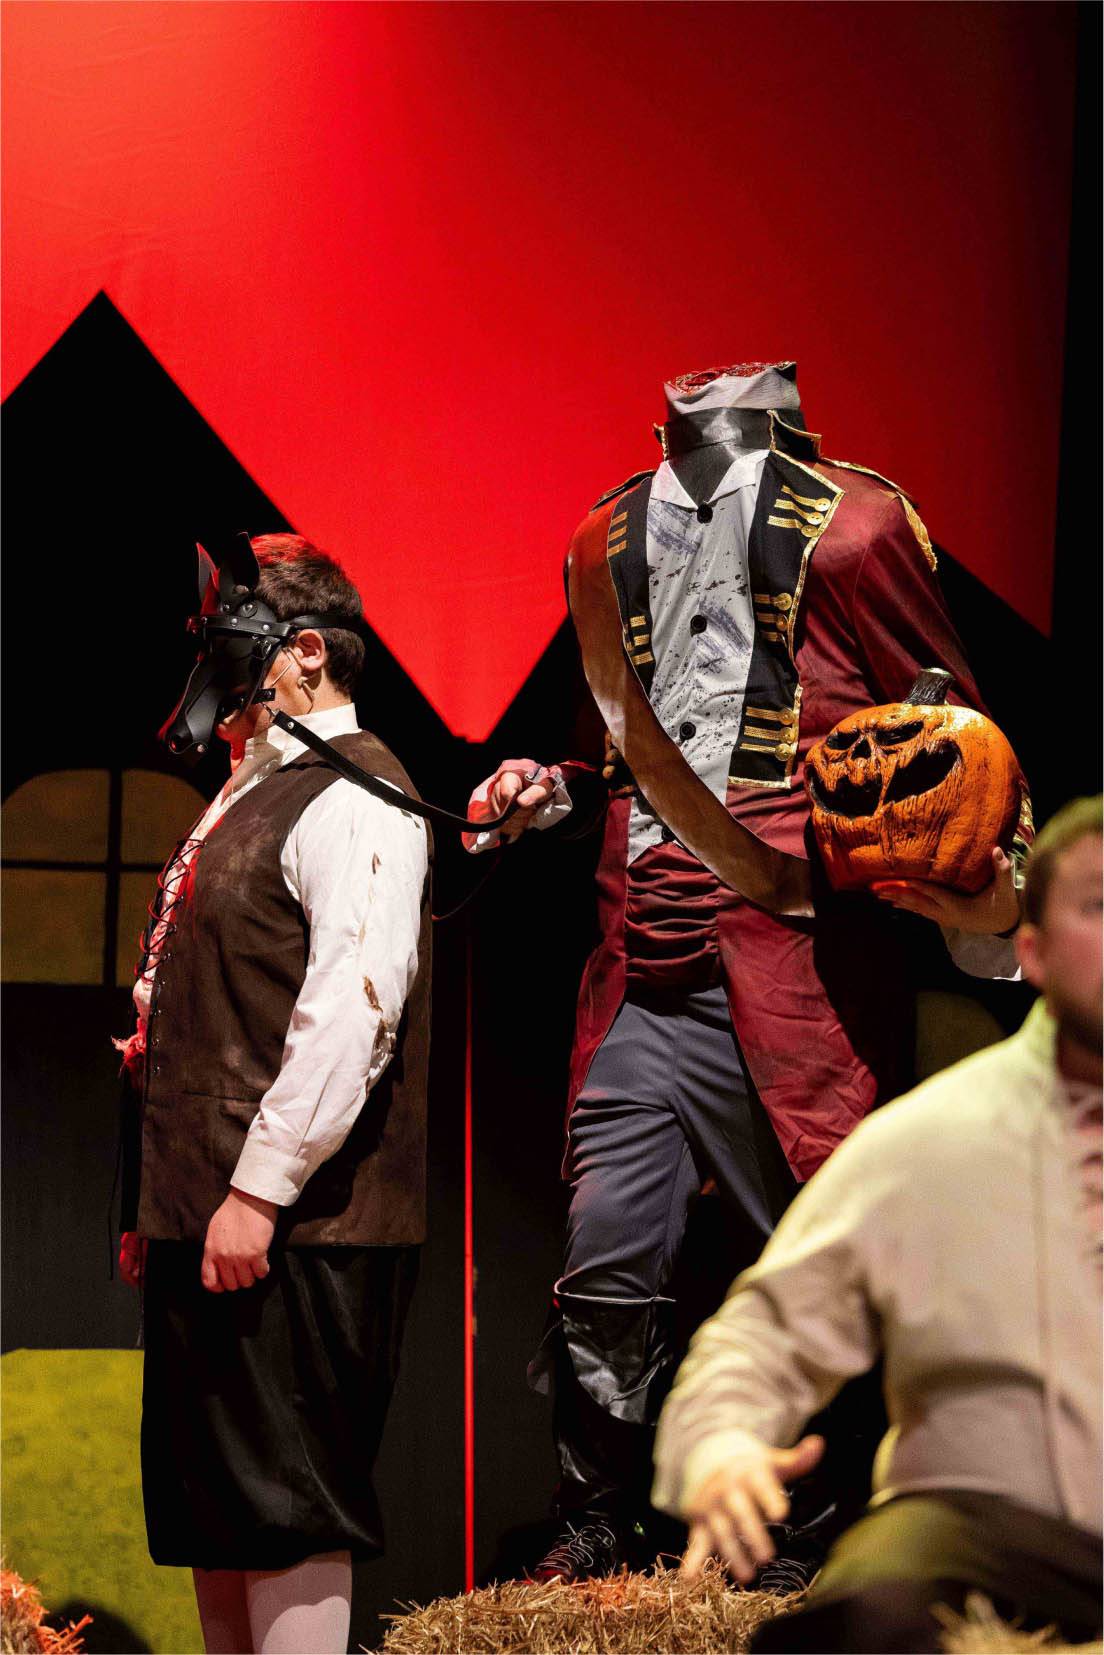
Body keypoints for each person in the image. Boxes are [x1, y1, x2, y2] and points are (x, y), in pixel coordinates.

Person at [466, 362, 1030, 1580]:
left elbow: (957, 735)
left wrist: (990, 882)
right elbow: (613, 755)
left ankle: (808, 1527)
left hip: (798, 968)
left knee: (810, 1264)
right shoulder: (602, 538)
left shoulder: (857, 524)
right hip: (638, 964)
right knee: (605, 1257)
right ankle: (598, 1514)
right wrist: (545, 792)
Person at [652, 795, 1102, 1652]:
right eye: (1099, 905)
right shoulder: (936, 1137)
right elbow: (764, 1334)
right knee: (865, 1616)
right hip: (982, 1529)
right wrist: (722, 1444)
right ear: (1033, 950)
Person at [116, 535, 431, 1655]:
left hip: (301, 1229)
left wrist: (258, 1189)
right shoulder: (256, 791)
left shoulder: (359, 795)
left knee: (286, 1505)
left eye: (231, 645)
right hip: (210, 1216)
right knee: (217, 1511)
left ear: (304, 651)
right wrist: (168, 1201)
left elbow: (354, 1009)